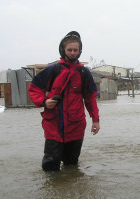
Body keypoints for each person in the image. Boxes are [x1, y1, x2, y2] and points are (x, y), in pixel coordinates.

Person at [28, 31, 100, 171]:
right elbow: (34, 89)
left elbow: (90, 99)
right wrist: (44, 101)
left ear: (79, 51)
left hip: (76, 125)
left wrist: (95, 120)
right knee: (50, 166)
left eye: (75, 50)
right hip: (54, 125)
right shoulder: (52, 70)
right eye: (69, 50)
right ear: (63, 50)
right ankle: (52, 192)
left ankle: (70, 190)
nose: (72, 53)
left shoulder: (84, 73)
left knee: (72, 165)